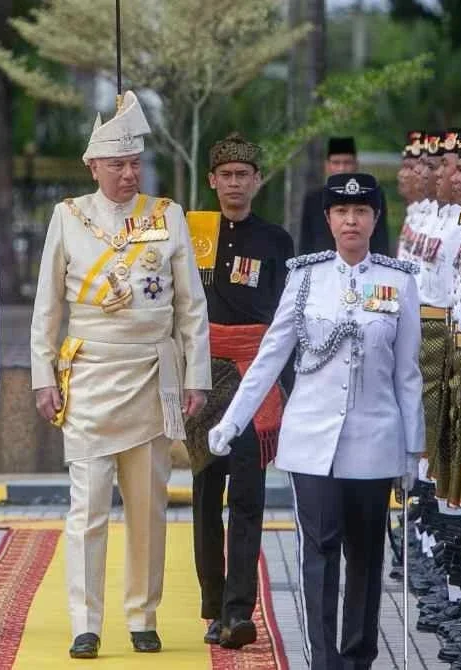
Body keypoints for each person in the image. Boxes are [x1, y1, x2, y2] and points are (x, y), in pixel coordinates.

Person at [209, 172, 424, 670]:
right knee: (319, 554)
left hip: (374, 442)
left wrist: (414, 450)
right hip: (312, 443)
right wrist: (234, 420)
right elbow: (270, 356)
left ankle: (358, 658)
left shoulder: (398, 282)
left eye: (362, 212)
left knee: (367, 559)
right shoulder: (305, 277)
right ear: (328, 220)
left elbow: (408, 374)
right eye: (342, 212)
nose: (351, 220)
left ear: (374, 219)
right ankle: (323, 661)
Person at [29, 90, 211, 659]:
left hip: (152, 374)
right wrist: (41, 375)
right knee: (86, 509)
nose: (129, 173)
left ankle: (142, 614)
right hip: (87, 375)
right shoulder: (68, 216)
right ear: (94, 166)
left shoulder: (167, 215)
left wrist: (196, 376)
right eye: (117, 165)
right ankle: (85, 620)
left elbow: (192, 306)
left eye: (134, 163)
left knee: (148, 507)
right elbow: (47, 307)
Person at [183, 133, 294, 649]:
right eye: (225, 175)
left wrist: (280, 382)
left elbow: (286, 320)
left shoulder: (276, 241)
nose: (233, 184)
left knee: (248, 499)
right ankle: (212, 606)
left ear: (256, 181)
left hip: (254, 376)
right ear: (212, 181)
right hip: (204, 377)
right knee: (207, 495)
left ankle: (238, 611)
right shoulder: (190, 232)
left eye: (242, 175)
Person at [298, 137, 390, 255]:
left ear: (356, 164)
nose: (341, 168)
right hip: (322, 269)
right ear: (327, 165)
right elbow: (305, 243)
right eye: (336, 163)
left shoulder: (372, 195)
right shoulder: (313, 199)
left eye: (347, 162)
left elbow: (381, 240)